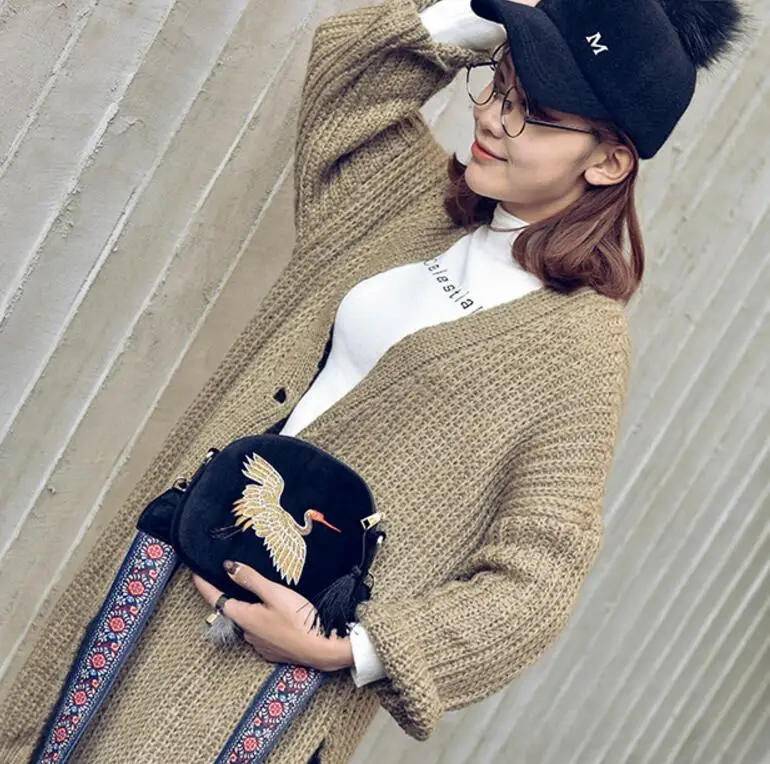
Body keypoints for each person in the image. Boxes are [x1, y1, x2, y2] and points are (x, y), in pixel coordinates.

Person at [0, 0, 748, 762]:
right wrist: (497, 22)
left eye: (532, 112)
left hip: (255, 678)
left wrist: (353, 647)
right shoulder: (405, 197)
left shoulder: (579, 349)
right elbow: (349, 71)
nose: (492, 118)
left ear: (609, 162)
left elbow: (538, 579)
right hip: (149, 575)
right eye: (500, 83)